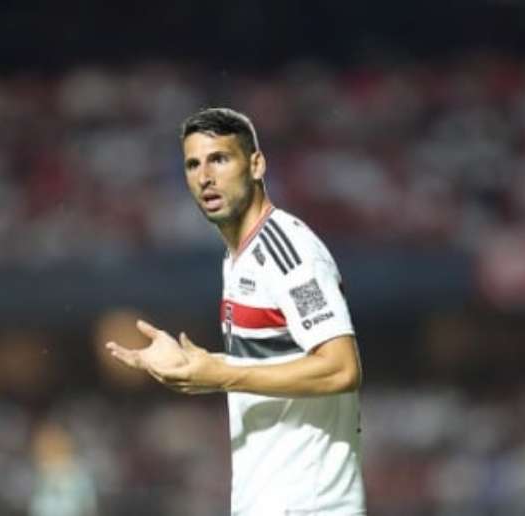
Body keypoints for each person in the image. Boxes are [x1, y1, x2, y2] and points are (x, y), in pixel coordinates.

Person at [107, 107, 366, 515]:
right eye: (193, 164)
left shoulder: (289, 252)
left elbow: (341, 369)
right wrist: (199, 365)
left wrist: (222, 375)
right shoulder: (238, 259)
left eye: (219, 159)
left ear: (257, 164)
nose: (204, 176)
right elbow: (273, 358)